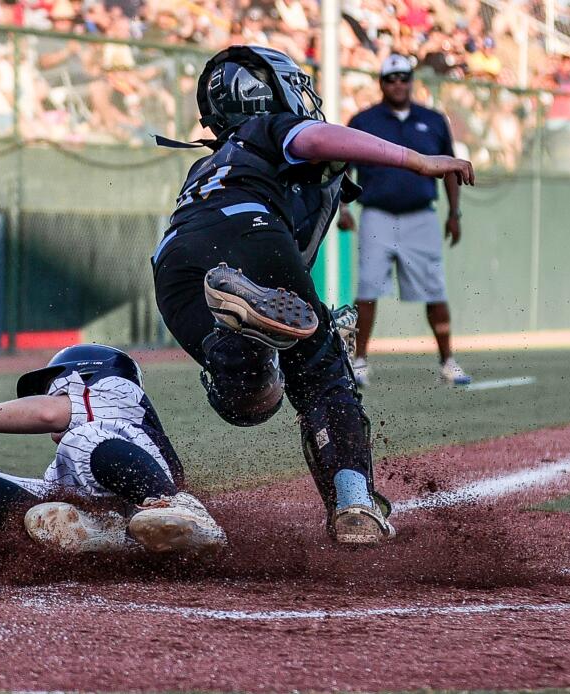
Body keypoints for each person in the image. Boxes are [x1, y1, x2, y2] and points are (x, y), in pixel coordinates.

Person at [150, 46, 474, 544]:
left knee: (248, 400)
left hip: (173, 264)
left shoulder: (209, 164)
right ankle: (355, 505)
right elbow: (317, 136)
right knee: (323, 375)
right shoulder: (270, 128)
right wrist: (417, 160)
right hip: (248, 231)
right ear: (267, 92)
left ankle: (248, 329)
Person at [0, 344, 227, 554]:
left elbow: (49, 413)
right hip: (104, 503)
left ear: (83, 374)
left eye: (50, 387)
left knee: (79, 440)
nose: (46, 395)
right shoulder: (67, 460)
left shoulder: (119, 391)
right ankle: (104, 535)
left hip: (150, 479)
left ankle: (183, 512)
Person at [342, 54, 471, 387]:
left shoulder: (433, 119)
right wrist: (342, 208)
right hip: (377, 214)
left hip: (421, 216)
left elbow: (449, 170)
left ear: (412, 80)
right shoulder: (363, 120)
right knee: (367, 289)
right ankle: (359, 362)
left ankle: (447, 361)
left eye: (403, 77)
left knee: (435, 290)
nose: (398, 83)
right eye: (391, 78)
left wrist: (454, 213)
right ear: (381, 83)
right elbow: (343, 168)